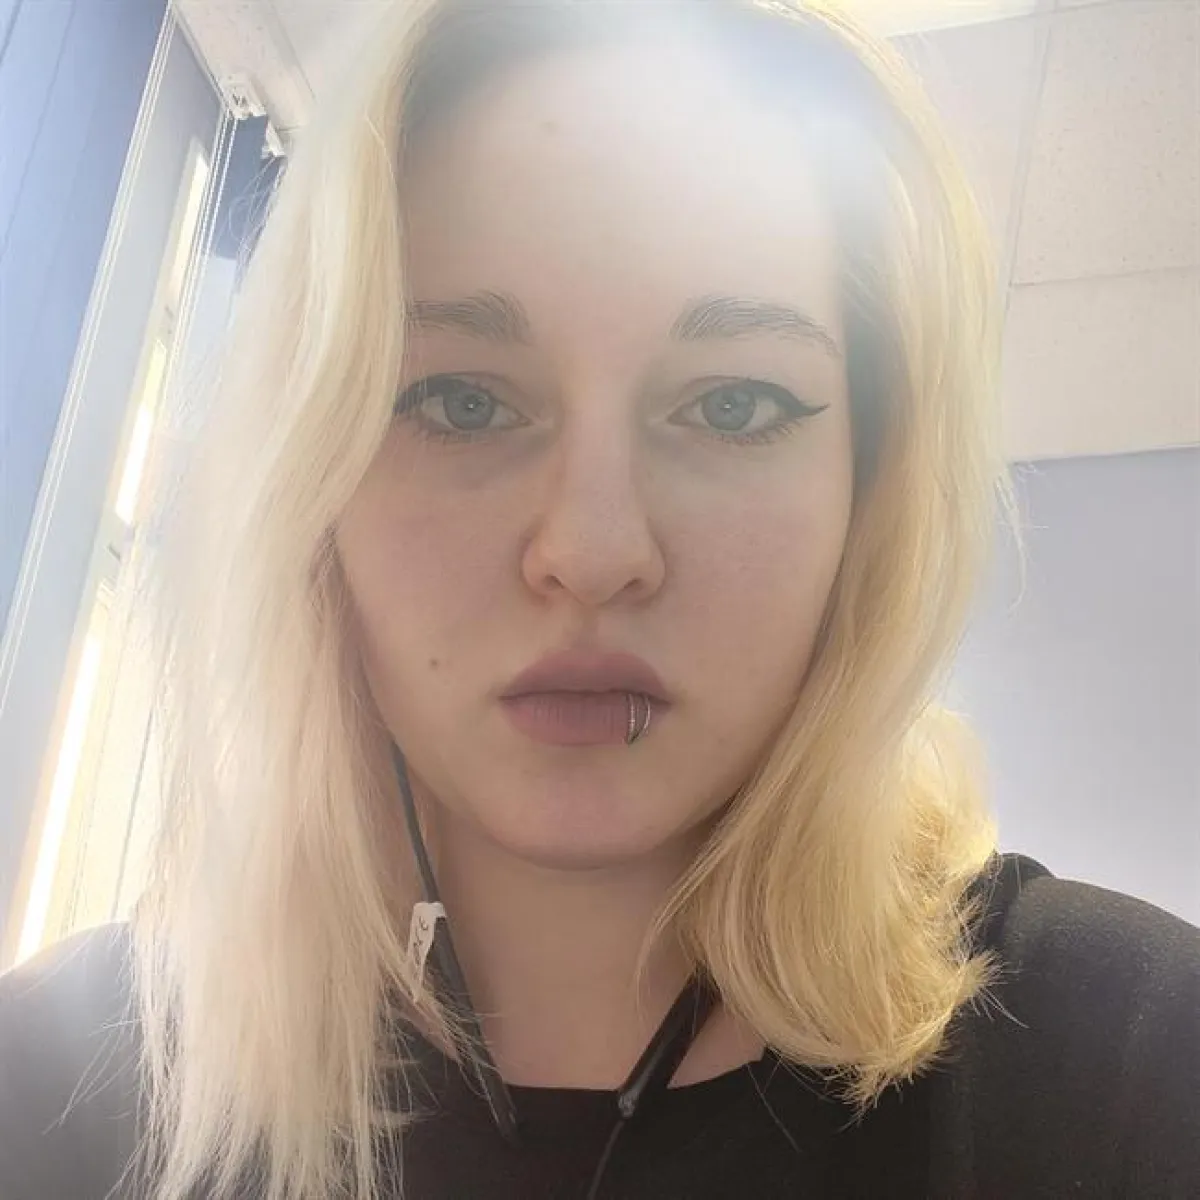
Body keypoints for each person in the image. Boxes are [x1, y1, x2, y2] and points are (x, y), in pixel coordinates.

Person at [2, 1, 1198, 1197]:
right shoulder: (59, 1090)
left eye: (732, 405)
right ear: (313, 476)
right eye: (464, 401)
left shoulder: (1128, 1067)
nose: (591, 551)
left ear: (865, 492)